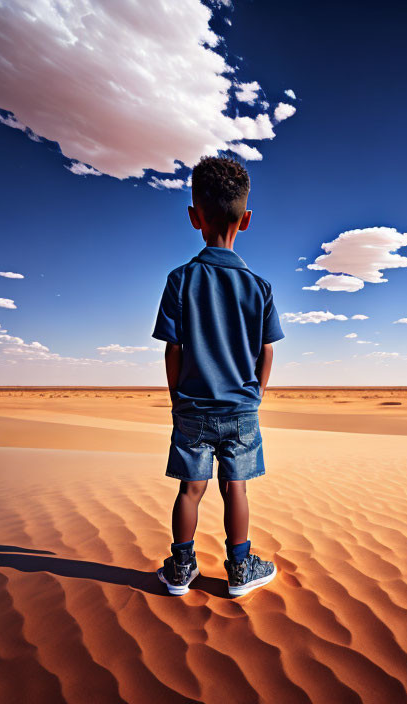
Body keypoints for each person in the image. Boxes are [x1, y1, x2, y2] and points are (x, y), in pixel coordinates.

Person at [152, 156, 284, 598]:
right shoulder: (260, 287)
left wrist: (177, 397)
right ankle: (240, 567)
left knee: (190, 489)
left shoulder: (179, 280)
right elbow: (267, 349)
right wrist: (257, 395)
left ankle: (181, 567)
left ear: (195, 217)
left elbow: (174, 348)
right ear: (245, 220)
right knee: (236, 487)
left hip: (192, 403)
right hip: (241, 406)